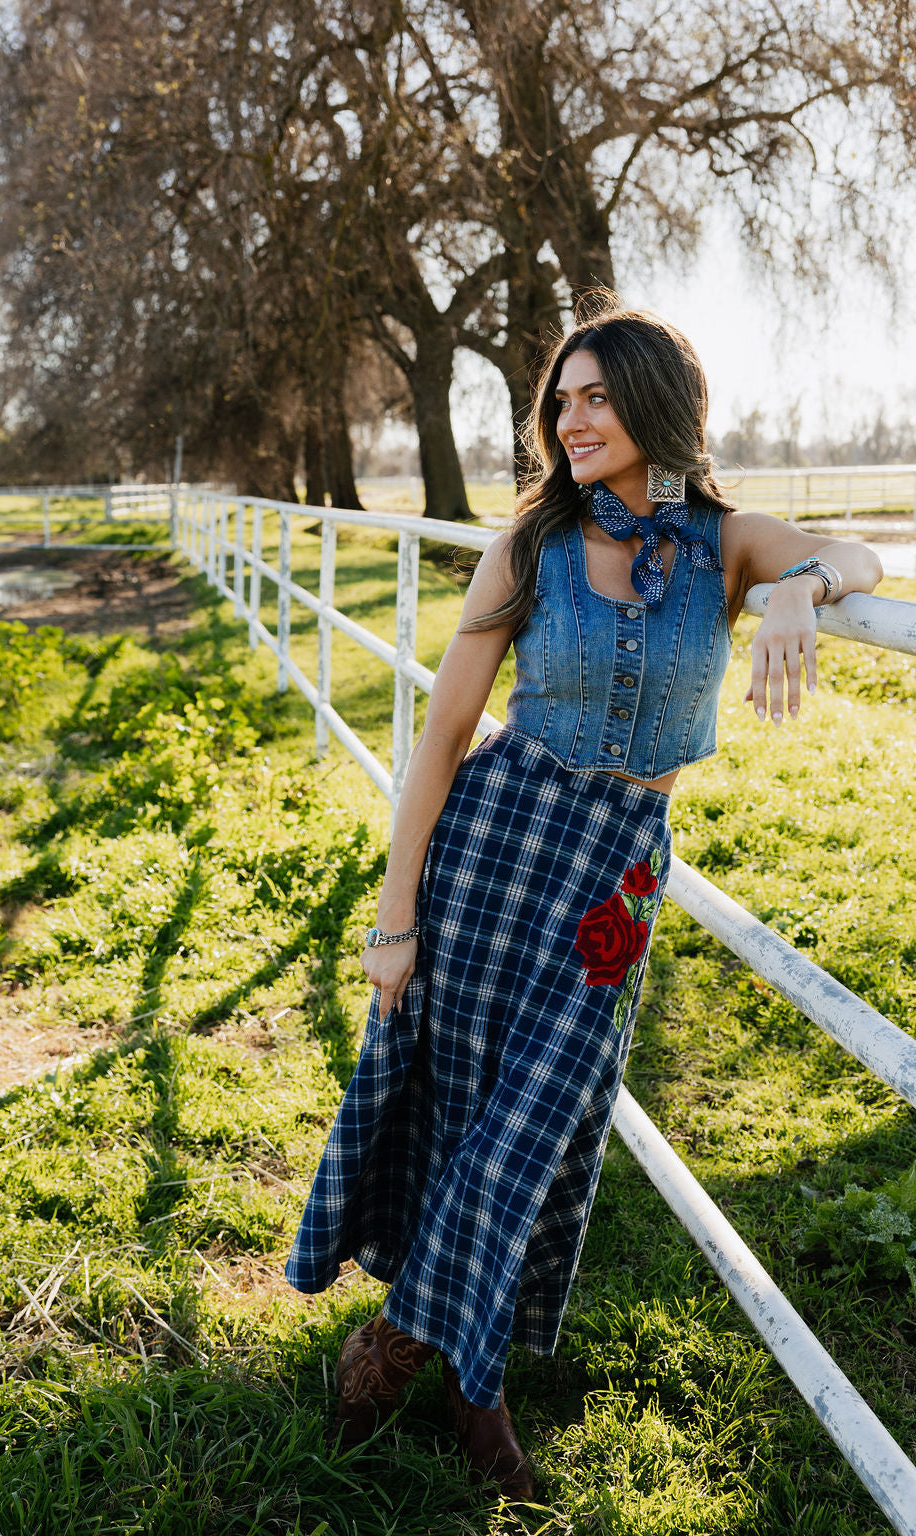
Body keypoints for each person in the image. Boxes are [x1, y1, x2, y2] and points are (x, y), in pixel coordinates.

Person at [284, 299, 883, 1499]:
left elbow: (862, 557)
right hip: (494, 845)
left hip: (615, 871)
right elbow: (447, 730)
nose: (572, 417)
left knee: (533, 1134)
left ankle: (398, 1350)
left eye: (597, 395)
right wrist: (394, 917)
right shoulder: (531, 545)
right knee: (462, 1112)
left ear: (659, 403)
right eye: (562, 399)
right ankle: (475, 1378)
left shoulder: (722, 543)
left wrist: (790, 590)